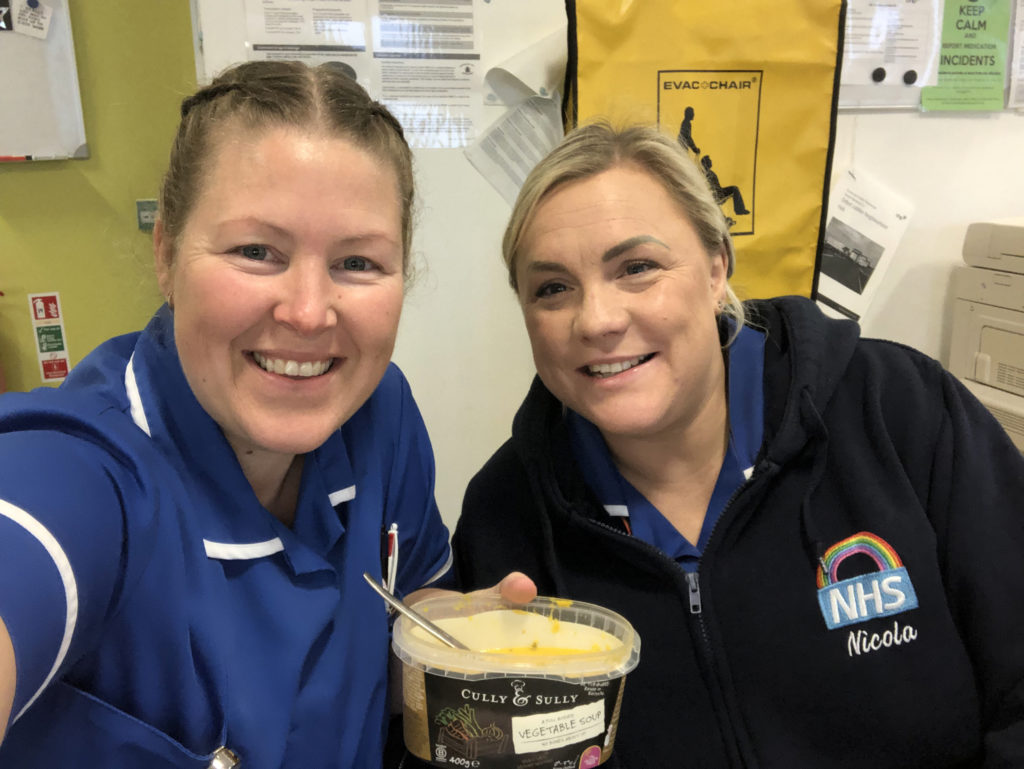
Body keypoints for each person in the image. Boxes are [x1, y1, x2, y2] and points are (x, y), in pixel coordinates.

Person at [0, 60, 532, 769]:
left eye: (358, 263)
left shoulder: (383, 415)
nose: (309, 313)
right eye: (256, 251)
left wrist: (463, 647)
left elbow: (409, 597)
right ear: (166, 254)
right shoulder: (87, 470)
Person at [452, 121, 1024, 768]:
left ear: (716, 265)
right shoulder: (506, 516)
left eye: (638, 268)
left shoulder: (899, 412)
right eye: (552, 288)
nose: (597, 320)